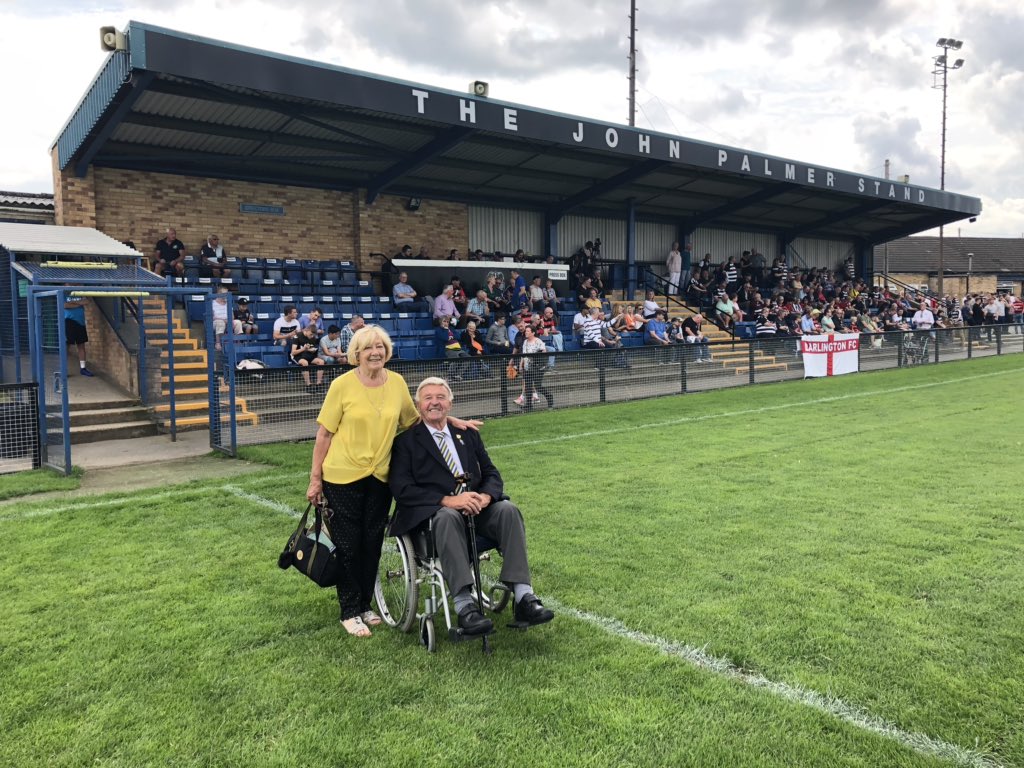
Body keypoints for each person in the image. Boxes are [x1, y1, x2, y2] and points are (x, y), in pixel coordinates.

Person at [305, 329, 478, 638]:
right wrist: (315, 479)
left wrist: (450, 420)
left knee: (371, 542)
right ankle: (349, 610)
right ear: (356, 352)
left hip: (380, 477)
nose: (376, 352)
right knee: (347, 545)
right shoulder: (341, 386)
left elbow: (414, 420)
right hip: (342, 476)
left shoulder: (396, 383)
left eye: (381, 347)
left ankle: (366, 604)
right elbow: (324, 435)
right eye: (369, 347)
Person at [388, 377, 554, 635]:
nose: (435, 402)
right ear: (418, 405)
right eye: (428, 398)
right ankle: (465, 605)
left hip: (477, 509)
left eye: (441, 397)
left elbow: (491, 473)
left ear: (450, 404)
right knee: (446, 517)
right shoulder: (405, 443)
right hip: (435, 517)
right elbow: (402, 489)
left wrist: (486, 497)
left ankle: (524, 597)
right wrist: (448, 500)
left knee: (508, 510)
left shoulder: (467, 434)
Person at [518, 325, 553, 409]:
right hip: (527, 367)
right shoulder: (525, 342)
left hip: (538, 368)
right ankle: (529, 405)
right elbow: (523, 355)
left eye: (528, 331)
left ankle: (549, 397)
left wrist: (537, 355)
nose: (526, 332)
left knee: (538, 386)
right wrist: (520, 365)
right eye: (526, 331)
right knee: (528, 386)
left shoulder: (538, 341)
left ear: (533, 333)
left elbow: (544, 352)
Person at [63, 290, 94, 376]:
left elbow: (87, 301)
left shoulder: (79, 290)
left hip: (81, 322)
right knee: (67, 345)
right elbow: (65, 305)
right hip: (69, 321)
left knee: (81, 345)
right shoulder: (63, 292)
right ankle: (64, 369)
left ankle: (83, 368)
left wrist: (73, 303)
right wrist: (79, 303)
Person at [291, 323, 325, 390]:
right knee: (305, 363)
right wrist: (304, 349)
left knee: (321, 362)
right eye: (311, 334)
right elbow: (293, 352)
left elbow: (312, 348)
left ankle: (318, 384)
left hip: (309, 355)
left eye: (313, 335)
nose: (312, 336)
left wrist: (312, 350)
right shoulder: (297, 336)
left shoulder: (313, 338)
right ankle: (308, 385)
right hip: (298, 356)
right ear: (307, 330)